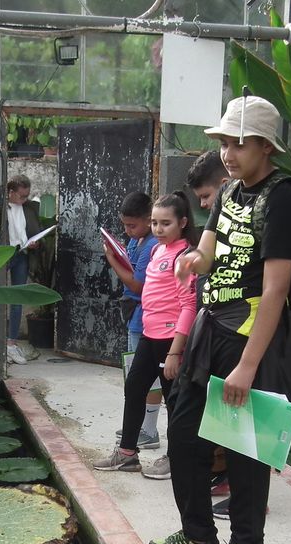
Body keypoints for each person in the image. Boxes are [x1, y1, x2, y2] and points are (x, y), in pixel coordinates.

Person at [147, 95, 291, 544]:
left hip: (251, 335)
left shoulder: (285, 199)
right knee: (184, 432)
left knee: (244, 447)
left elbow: (277, 290)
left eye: (239, 144)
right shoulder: (231, 192)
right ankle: (198, 533)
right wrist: (190, 261)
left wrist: (247, 366)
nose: (229, 154)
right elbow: (208, 252)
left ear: (266, 146)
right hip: (210, 328)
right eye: (224, 143)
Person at [93, 192, 199, 475]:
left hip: (169, 340)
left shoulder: (185, 256)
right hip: (149, 335)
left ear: (183, 223)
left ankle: (177, 458)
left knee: (174, 400)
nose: (158, 229)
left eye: (166, 223)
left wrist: (176, 350)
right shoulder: (155, 250)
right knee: (134, 388)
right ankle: (127, 453)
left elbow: (189, 305)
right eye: (154, 223)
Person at [187, 150, 234, 505]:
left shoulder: (258, 213)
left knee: (243, 419)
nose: (203, 205)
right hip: (215, 328)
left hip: (241, 331)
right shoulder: (218, 222)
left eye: (205, 197)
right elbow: (203, 263)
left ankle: (243, 489)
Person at [105, 192, 165, 457]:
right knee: (136, 378)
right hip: (136, 315)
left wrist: (112, 262)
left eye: (133, 226)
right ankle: (142, 429)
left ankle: (149, 430)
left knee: (143, 379)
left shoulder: (152, 245)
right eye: (125, 226)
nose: (128, 231)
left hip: (146, 318)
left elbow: (138, 284)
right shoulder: (138, 241)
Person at [4, 175, 42, 366]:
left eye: (27, 195)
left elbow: (33, 231)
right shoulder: (1, 208)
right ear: (10, 192)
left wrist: (34, 242)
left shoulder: (28, 208)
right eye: (21, 196)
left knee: (18, 298)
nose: (24, 199)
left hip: (22, 254)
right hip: (3, 254)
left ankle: (11, 343)